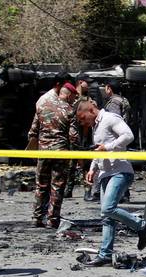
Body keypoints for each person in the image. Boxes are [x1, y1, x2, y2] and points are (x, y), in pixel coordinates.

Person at [75, 101, 146, 266]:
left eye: (83, 118)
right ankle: (105, 255)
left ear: (91, 110)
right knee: (107, 217)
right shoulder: (96, 126)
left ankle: (141, 225)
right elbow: (98, 149)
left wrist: (108, 147)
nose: (83, 123)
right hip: (105, 173)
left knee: (108, 208)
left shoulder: (110, 118)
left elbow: (128, 136)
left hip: (120, 171)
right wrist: (92, 168)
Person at [28, 83, 79, 229]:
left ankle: (37, 217)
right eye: (73, 97)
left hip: (43, 152)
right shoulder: (69, 110)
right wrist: (78, 153)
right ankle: (52, 219)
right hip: (60, 153)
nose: (74, 100)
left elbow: (32, 131)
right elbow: (73, 137)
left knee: (41, 185)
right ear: (68, 95)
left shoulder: (42, 106)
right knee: (57, 186)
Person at [66, 73, 97, 201]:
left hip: (86, 137)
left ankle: (87, 191)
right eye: (86, 82)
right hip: (75, 136)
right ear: (80, 82)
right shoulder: (73, 100)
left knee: (87, 165)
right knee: (70, 165)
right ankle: (68, 190)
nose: (88, 85)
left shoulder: (89, 99)